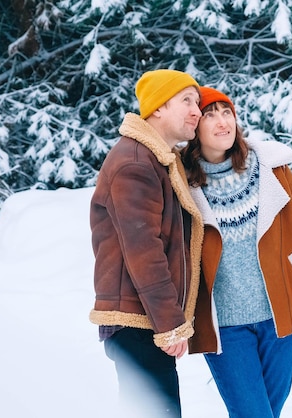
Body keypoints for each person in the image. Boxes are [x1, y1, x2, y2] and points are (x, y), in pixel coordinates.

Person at [182, 86, 292, 418]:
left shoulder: (272, 168)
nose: (222, 122)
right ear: (194, 127)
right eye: (209, 114)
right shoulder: (181, 181)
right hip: (225, 327)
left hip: (281, 314)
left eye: (226, 112)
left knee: (268, 412)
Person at [89, 69, 204, 418]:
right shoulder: (135, 163)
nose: (197, 111)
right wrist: (170, 324)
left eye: (197, 103)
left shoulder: (155, 159)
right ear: (157, 108)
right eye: (187, 101)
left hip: (142, 318)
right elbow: (144, 253)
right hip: (136, 320)